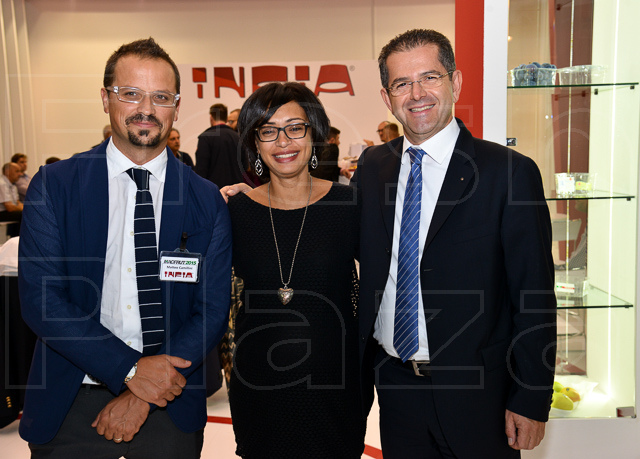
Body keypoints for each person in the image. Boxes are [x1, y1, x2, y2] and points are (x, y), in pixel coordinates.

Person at [18, 37, 232, 458]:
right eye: (131, 93)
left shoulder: (205, 199)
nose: (146, 109)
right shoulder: (56, 186)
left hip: (169, 402)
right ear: (105, 99)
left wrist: (143, 391)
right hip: (70, 401)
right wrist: (131, 370)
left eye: (161, 97)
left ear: (176, 106)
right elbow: (42, 301)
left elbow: (210, 310)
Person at [352, 29, 557, 458]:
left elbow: (534, 294)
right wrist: (258, 197)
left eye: (430, 77)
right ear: (387, 97)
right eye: (402, 84)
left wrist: (531, 397)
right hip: (396, 389)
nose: (417, 94)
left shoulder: (509, 173)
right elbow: (337, 233)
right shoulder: (373, 166)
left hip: (480, 397)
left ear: (455, 82)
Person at [227, 82, 365, 458]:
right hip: (259, 389)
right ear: (254, 143)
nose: (283, 141)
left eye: (295, 127)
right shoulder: (234, 211)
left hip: (335, 389)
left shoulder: (350, 205)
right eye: (268, 131)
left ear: (314, 133)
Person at [194, 103, 245, 188]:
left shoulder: (205, 138)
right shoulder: (238, 137)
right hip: (236, 190)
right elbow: (245, 166)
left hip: (214, 191)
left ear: (211, 117)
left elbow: (201, 170)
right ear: (226, 118)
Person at [0, 162, 23, 237]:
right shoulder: (2, 184)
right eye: (17, 171)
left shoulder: (13, 185)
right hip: (2, 212)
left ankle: (16, 237)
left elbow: (17, 202)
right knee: (23, 214)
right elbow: (9, 207)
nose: (20, 174)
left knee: (25, 213)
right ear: (7, 172)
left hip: (6, 212)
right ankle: (19, 238)